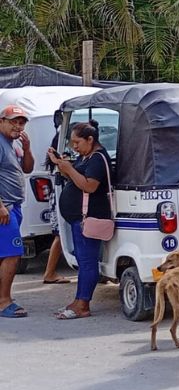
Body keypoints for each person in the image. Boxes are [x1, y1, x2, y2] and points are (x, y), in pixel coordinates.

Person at [50, 121, 114, 320]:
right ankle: (78, 300)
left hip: (88, 218)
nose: (74, 146)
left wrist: (69, 169)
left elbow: (89, 186)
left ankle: (83, 304)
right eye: (72, 143)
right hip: (79, 218)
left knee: (87, 262)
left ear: (90, 139)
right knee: (83, 260)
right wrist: (61, 164)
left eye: (77, 142)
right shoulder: (87, 157)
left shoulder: (97, 159)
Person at [0, 105, 33, 318]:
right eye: (13, 121)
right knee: (13, 253)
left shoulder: (15, 145)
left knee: (5, 254)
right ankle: (4, 301)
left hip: (14, 207)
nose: (18, 126)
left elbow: (28, 169)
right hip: (5, 207)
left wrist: (28, 148)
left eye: (21, 122)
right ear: (1, 121)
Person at [42, 132, 69, 285]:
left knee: (60, 236)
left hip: (59, 197)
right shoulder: (60, 161)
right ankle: (49, 272)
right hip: (61, 198)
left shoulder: (55, 161)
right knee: (60, 236)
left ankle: (50, 272)